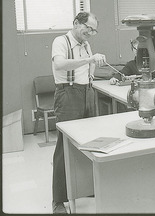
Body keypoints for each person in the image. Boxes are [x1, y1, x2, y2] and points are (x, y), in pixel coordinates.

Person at [51, 12, 106, 214]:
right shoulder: (61, 41)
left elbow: (88, 68)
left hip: (87, 92)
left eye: (94, 30)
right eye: (88, 28)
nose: (90, 33)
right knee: (64, 147)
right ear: (76, 23)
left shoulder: (85, 45)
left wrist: (92, 67)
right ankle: (58, 200)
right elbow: (59, 64)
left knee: (89, 143)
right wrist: (89, 59)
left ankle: (86, 187)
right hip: (68, 94)